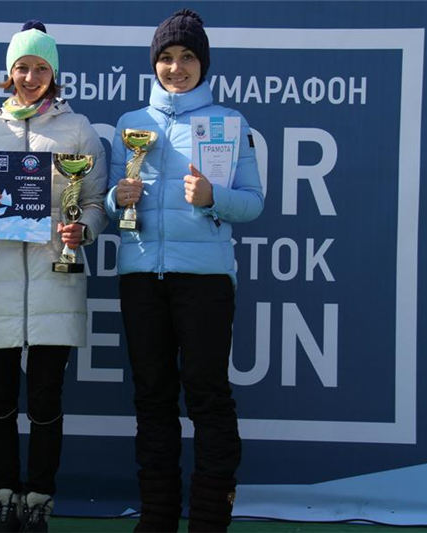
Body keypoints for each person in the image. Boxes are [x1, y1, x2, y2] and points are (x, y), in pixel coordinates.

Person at [104, 10, 264, 533]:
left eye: (188, 57)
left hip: (206, 279)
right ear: (155, 64)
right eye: (167, 58)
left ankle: (211, 519)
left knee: (207, 393)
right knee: (152, 396)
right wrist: (115, 197)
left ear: (203, 64)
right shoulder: (132, 124)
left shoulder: (230, 123)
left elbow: (254, 203)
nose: (177, 67)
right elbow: (110, 205)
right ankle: (157, 516)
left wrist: (215, 198)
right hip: (141, 275)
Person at [0, 20, 108, 533]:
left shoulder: (79, 130)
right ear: (8, 73)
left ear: (54, 74)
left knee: (46, 400)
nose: (29, 76)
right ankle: (3, 497)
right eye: (21, 67)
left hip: (55, 276)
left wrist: (81, 230)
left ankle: (39, 500)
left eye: (40, 67)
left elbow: (93, 203)